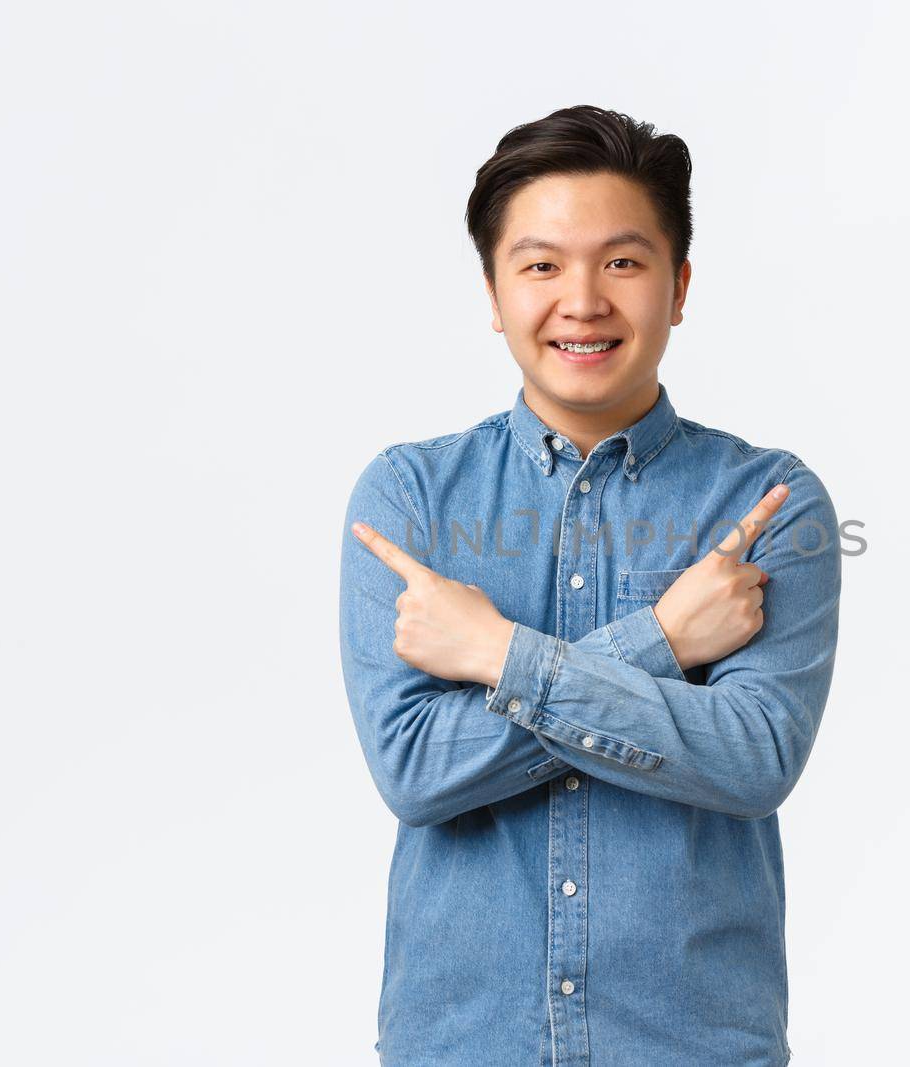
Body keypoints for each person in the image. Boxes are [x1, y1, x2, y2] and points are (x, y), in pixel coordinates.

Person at [338, 104, 841, 1067]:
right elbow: (416, 771)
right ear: (493, 290)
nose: (582, 300)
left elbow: (752, 759)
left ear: (678, 285)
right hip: (463, 1042)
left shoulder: (769, 503)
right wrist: (659, 642)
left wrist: (493, 655)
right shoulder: (408, 497)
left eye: (622, 261)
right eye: (540, 265)